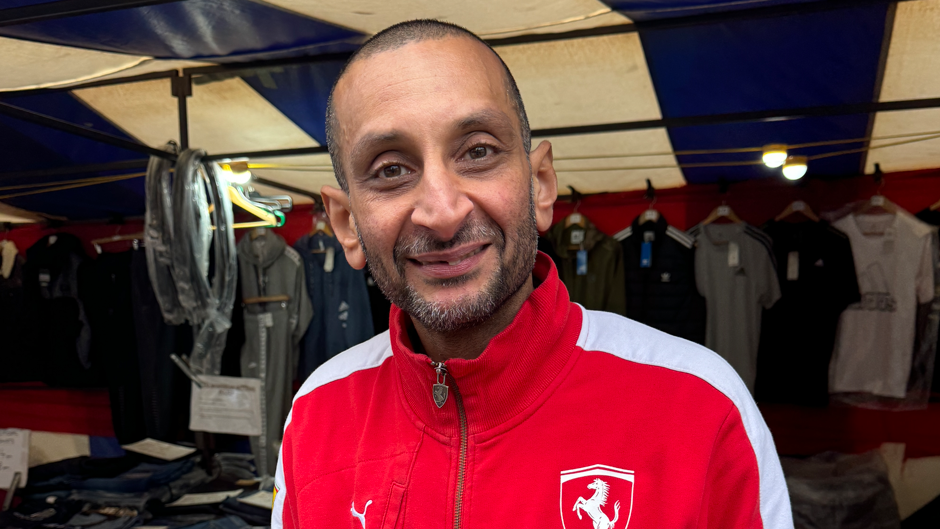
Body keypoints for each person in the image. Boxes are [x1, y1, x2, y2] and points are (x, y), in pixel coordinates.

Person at [273, 19, 792, 529]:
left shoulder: (701, 407)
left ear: (541, 185)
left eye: (478, 152)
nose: (443, 210)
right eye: (391, 170)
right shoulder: (315, 417)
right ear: (346, 223)